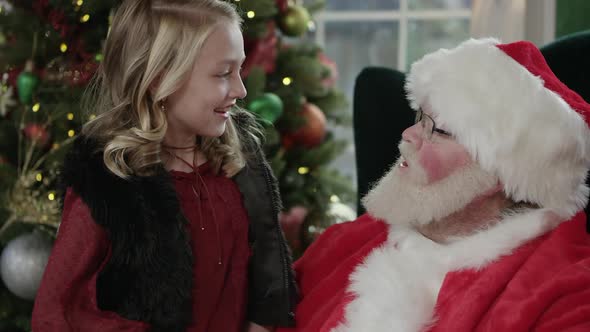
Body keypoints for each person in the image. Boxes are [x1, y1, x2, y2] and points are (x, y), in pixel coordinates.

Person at [277, 38, 590, 332]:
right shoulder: (342, 243)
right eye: (420, 118)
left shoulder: (563, 287)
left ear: (499, 173)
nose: (408, 135)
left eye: (438, 130)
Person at [31, 0, 297, 331]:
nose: (241, 90)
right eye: (223, 73)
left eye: (239, 70)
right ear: (159, 78)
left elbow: (269, 277)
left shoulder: (242, 163)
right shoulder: (109, 182)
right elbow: (58, 311)